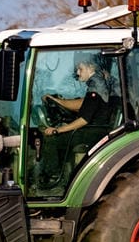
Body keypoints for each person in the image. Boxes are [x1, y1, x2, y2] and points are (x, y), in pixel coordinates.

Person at [34, 55, 118, 190]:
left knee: (52, 139)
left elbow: (84, 119)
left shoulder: (96, 85)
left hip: (95, 130)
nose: (78, 72)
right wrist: (58, 101)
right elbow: (82, 104)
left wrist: (59, 130)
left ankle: (52, 180)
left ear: (91, 67)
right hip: (97, 128)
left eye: (80, 68)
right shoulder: (99, 84)